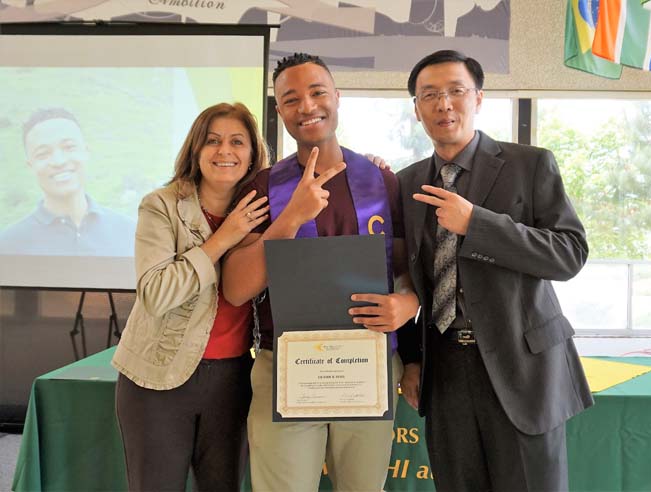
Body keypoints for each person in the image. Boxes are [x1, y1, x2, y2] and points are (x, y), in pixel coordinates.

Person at [397, 50, 593, 491]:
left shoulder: (529, 164)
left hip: (522, 369)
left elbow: (570, 253)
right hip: (445, 371)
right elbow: (409, 276)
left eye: (455, 91)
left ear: (479, 98)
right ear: (417, 109)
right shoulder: (407, 183)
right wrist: (411, 357)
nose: (443, 104)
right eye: (429, 95)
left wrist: (478, 225)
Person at [222, 53, 419, 492]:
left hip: (368, 361)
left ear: (337, 97)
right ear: (279, 111)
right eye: (291, 99)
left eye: (317, 93)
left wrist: (407, 301)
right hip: (287, 364)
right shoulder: (262, 187)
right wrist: (290, 217)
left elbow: (405, 270)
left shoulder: (383, 182)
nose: (306, 106)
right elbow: (236, 288)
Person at [111, 102, 270, 492]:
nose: (225, 151)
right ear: (195, 150)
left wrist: (371, 167)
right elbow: (156, 292)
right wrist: (222, 239)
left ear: (253, 154)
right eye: (212, 141)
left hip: (233, 379)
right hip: (157, 378)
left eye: (237, 142)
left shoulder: (264, 208)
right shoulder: (161, 205)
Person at [0, 107, 136, 256]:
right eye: (43, 154)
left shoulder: (132, 234)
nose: (59, 161)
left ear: (86, 151)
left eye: (69, 147)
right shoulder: (8, 246)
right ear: (30, 166)